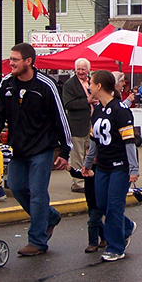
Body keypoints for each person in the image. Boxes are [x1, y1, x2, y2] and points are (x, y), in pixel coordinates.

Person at [0, 43, 71, 256]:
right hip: (17, 149)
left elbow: (60, 118)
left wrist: (64, 150)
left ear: (28, 62)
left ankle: (37, 241)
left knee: (37, 193)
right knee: (16, 187)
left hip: (42, 149)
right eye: (10, 59)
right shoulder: (6, 84)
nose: (11, 63)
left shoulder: (46, 85)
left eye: (15, 60)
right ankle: (50, 217)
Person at [87, 70, 139, 262]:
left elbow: (130, 142)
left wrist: (133, 169)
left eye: (91, 83)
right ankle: (126, 226)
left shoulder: (121, 110)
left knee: (114, 207)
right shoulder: (98, 110)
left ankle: (116, 247)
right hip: (102, 166)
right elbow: (94, 140)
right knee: (102, 204)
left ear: (99, 86)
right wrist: (87, 163)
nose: (89, 87)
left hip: (120, 166)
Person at [62, 58, 96, 193]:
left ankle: (89, 177)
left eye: (83, 69)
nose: (81, 72)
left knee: (90, 153)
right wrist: (87, 101)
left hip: (92, 124)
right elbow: (68, 104)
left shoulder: (92, 82)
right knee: (77, 154)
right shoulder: (70, 85)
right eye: (78, 69)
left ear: (88, 69)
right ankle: (78, 183)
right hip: (77, 125)